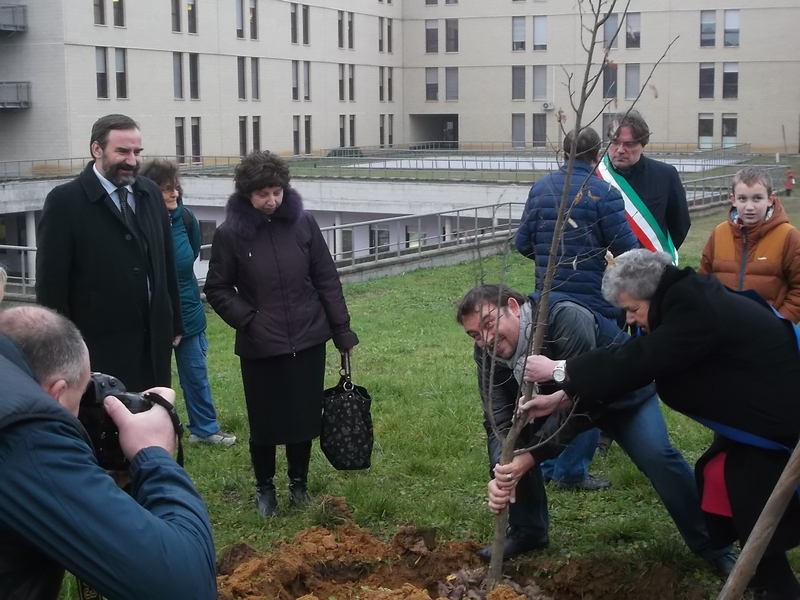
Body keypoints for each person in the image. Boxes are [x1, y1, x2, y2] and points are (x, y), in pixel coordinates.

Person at [519, 249, 800, 599]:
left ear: (653, 293)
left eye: (634, 310)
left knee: (748, 484)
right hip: (760, 406)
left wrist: (561, 370)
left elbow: (643, 358)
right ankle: (768, 578)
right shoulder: (680, 299)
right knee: (726, 478)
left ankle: (777, 585)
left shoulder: (694, 306)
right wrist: (561, 397)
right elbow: (639, 365)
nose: (630, 319)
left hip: (782, 404)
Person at [457, 284, 735, 573]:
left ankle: (714, 547)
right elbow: (498, 417)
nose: (485, 339)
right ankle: (529, 532)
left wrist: (529, 458)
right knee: (511, 453)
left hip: (621, 396)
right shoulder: (487, 353)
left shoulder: (564, 318)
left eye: (489, 324)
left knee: (657, 456)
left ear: (513, 307)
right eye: (475, 335)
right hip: (551, 401)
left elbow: (585, 402)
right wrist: (503, 466)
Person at [0, 306, 216, 600]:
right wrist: (154, 453)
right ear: (56, 393)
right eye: (78, 403)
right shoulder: (27, 432)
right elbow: (187, 586)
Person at [204, 150, 358, 518]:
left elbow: (326, 279)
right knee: (265, 421)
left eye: (277, 192)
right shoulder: (229, 235)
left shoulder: (304, 224)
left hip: (308, 338)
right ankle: (265, 489)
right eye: (262, 194)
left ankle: (299, 485)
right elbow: (217, 288)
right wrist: (250, 320)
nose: (271, 201)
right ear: (247, 195)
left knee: (303, 417)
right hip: (261, 345)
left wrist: (341, 330)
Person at [516, 126, 641, 489]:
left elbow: (523, 242)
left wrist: (549, 260)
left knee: (548, 387)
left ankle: (541, 464)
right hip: (589, 310)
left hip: (546, 307)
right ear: (597, 154)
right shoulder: (603, 194)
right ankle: (570, 471)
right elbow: (627, 250)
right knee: (586, 384)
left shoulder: (540, 189)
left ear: (564, 153)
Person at [36, 114, 183, 392]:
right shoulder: (64, 202)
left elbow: (166, 263)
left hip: (153, 343)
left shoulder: (150, 192)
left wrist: (173, 319)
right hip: (96, 348)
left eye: (137, 152)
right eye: (122, 151)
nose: (132, 160)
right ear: (96, 149)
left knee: (153, 421)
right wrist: (59, 348)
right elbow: (51, 285)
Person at [139, 158, 236, 446]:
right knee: (152, 380)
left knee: (195, 375)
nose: (174, 194)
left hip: (189, 312)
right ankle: (151, 432)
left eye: (176, 188)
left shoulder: (186, 219)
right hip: (152, 318)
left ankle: (204, 430)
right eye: (166, 189)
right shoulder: (139, 222)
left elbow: (190, 255)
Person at [699, 166, 800, 323]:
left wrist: (779, 323)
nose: (749, 207)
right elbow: (703, 281)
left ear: (770, 199)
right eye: (742, 199)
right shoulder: (719, 233)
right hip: (723, 329)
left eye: (757, 198)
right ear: (733, 199)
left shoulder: (788, 236)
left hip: (768, 332)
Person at [597, 110, 691, 264]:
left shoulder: (666, 175)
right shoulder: (595, 176)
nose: (620, 150)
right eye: (615, 142)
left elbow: (680, 224)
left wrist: (659, 253)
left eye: (629, 144)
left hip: (651, 268)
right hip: (607, 268)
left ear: (643, 145)